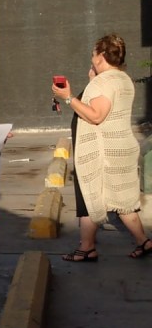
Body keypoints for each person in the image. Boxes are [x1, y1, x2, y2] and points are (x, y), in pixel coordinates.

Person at [52, 34, 151, 262]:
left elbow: (96, 116)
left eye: (94, 53)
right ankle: (143, 241)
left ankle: (86, 248)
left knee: (89, 198)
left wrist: (67, 98)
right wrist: (91, 83)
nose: (92, 57)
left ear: (101, 56)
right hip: (121, 148)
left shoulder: (104, 82)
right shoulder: (122, 79)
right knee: (124, 202)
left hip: (102, 153)